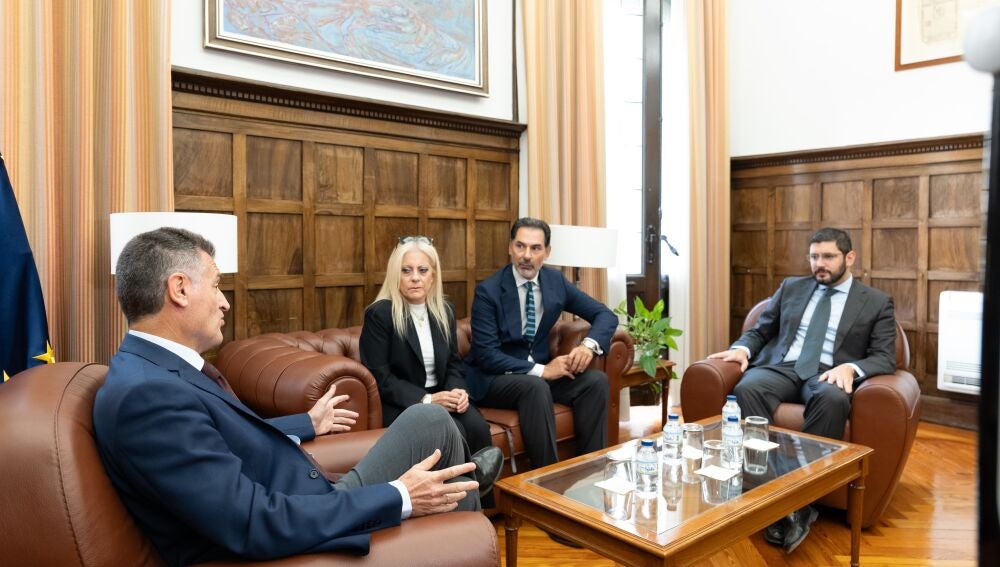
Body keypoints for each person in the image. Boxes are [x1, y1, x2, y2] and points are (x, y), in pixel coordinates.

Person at [93, 227, 501, 566]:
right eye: (217, 286)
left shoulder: (156, 372)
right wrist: (400, 496)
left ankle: (467, 488)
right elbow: (251, 522)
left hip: (307, 493)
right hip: (299, 523)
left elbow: (219, 438)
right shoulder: (147, 397)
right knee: (444, 460)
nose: (224, 301)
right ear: (179, 289)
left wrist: (307, 422)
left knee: (431, 421)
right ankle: (468, 514)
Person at [708, 227, 896, 554]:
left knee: (833, 398)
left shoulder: (876, 302)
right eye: (814, 256)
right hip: (784, 366)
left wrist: (851, 368)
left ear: (849, 258)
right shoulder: (792, 287)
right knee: (748, 386)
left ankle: (799, 502)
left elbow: (885, 356)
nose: (819, 263)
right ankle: (766, 488)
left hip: (828, 372)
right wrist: (742, 348)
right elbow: (761, 330)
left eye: (828, 256)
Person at [465, 217, 618, 470]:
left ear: (547, 252)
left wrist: (587, 346)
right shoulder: (489, 291)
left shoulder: (555, 282)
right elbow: (486, 356)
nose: (526, 255)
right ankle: (547, 479)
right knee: (534, 386)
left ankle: (592, 470)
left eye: (535, 248)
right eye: (520, 246)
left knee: (595, 382)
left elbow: (605, 315)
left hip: (536, 377)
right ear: (510, 248)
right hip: (493, 379)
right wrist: (543, 370)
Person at [360, 236, 492, 454]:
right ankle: (464, 477)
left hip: (441, 396)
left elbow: (453, 364)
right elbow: (381, 377)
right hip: (402, 403)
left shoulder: (444, 311)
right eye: (406, 271)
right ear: (395, 275)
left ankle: (483, 477)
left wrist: (458, 391)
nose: (415, 278)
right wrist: (427, 399)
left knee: (478, 427)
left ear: (433, 276)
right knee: (455, 431)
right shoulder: (380, 314)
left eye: (422, 270)